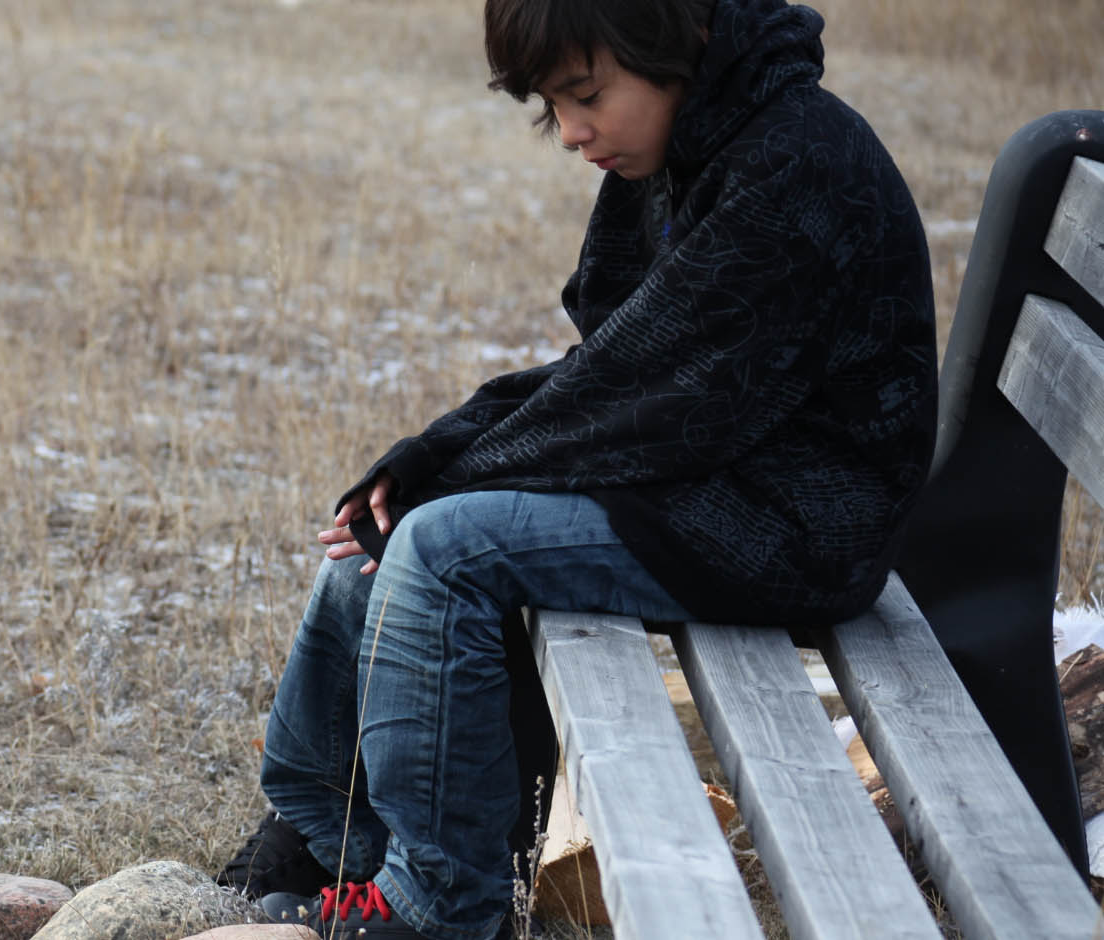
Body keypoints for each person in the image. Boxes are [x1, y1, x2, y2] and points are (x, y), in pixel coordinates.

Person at [214, 0, 938, 936]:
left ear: (671, 44)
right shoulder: (704, 136)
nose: (571, 133)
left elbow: (659, 401)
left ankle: (442, 906)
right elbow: (620, 366)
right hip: (710, 479)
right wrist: (442, 448)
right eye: (552, 106)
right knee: (391, 535)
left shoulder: (795, 166)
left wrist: (457, 472)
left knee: (441, 548)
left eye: (586, 95)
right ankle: (328, 832)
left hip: (789, 524)